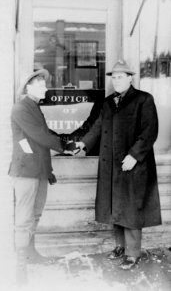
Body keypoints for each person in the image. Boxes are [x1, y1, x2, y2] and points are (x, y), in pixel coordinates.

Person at [75, 59, 162, 270]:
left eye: (120, 77)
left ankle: (133, 253)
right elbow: (97, 126)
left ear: (130, 78)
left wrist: (134, 155)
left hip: (134, 165)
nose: (116, 81)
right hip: (112, 165)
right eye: (113, 77)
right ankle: (120, 247)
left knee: (131, 209)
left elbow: (150, 130)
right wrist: (84, 144)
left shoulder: (143, 99)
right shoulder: (108, 102)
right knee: (116, 206)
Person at [8, 69, 66, 285]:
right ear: (28, 87)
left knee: (36, 215)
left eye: (45, 85)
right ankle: (20, 268)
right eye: (41, 85)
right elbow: (40, 136)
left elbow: (42, 140)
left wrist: (48, 171)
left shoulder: (34, 107)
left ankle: (31, 253)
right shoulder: (21, 108)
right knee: (23, 220)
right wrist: (65, 146)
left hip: (39, 172)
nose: (46, 88)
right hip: (25, 172)